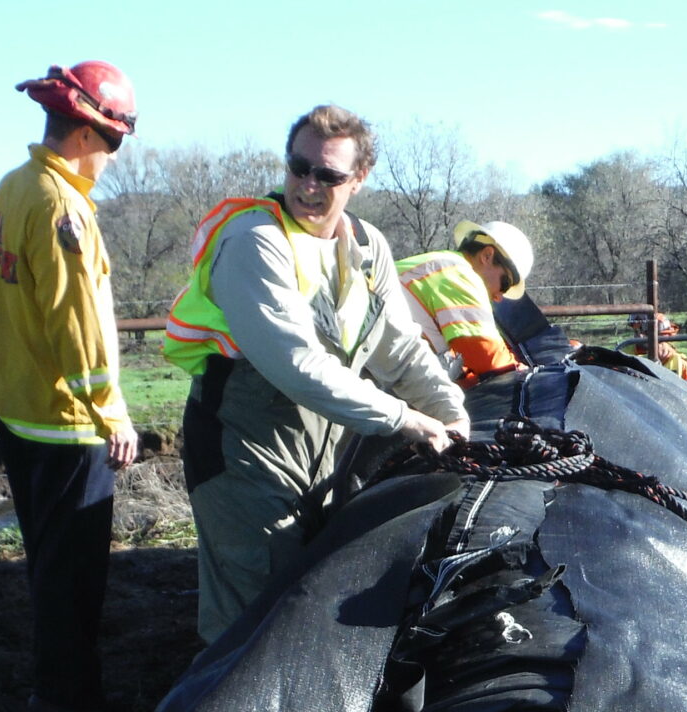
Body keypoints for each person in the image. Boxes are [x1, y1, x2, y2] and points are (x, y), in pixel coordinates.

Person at [162, 104, 470, 641]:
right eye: (298, 167)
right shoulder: (256, 242)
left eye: (327, 175)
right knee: (251, 620)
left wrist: (450, 411)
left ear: (359, 180)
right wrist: (405, 419)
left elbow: (400, 349)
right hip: (245, 447)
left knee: (299, 601)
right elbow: (297, 365)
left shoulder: (367, 247)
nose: (308, 185)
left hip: (325, 448)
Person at [0, 60, 142, 712]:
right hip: (65, 424)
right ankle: (69, 704)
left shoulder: (11, 189)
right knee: (73, 575)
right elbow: (80, 327)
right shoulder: (63, 210)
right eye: (113, 143)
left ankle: (56, 688)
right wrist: (112, 413)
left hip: (16, 409)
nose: (111, 158)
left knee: (47, 561)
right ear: (85, 136)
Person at [397, 220, 535, 384]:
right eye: (504, 284)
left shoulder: (441, 265)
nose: (499, 297)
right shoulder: (461, 275)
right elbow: (489, 359)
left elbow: (457, 363)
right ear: (487, 256)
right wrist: (524, 371)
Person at [627, 313, 687, 383]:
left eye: (660, 341)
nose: (639, 336)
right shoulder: (639, 363)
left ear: (667, 339)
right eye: (636, 332)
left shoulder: (682, 365)